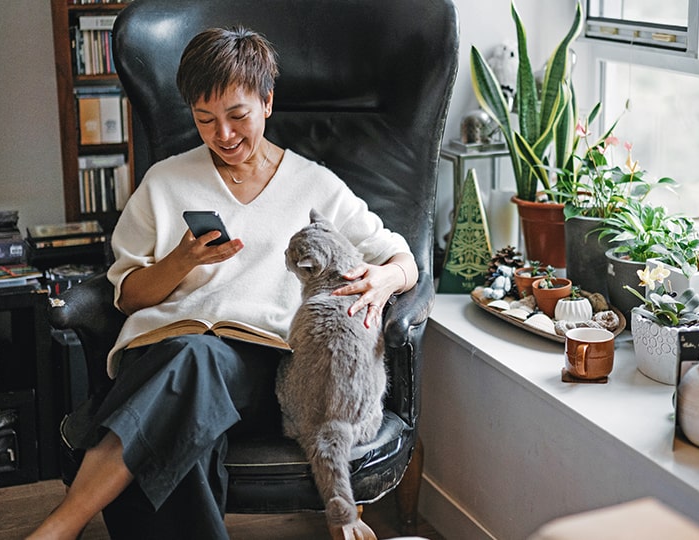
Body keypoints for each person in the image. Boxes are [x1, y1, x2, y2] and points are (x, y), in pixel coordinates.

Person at [29, 26, 417, 540]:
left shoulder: (314, 184)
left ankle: (63, 523)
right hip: (161, 352)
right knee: (190, 414)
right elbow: (126, 296)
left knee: (198, 363)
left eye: (238, 116)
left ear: (268, 103)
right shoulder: (165, 181)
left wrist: (384, 279)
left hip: (260, 366)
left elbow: (401, 256)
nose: (224, 135)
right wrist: (181, 261)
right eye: (205, 120)